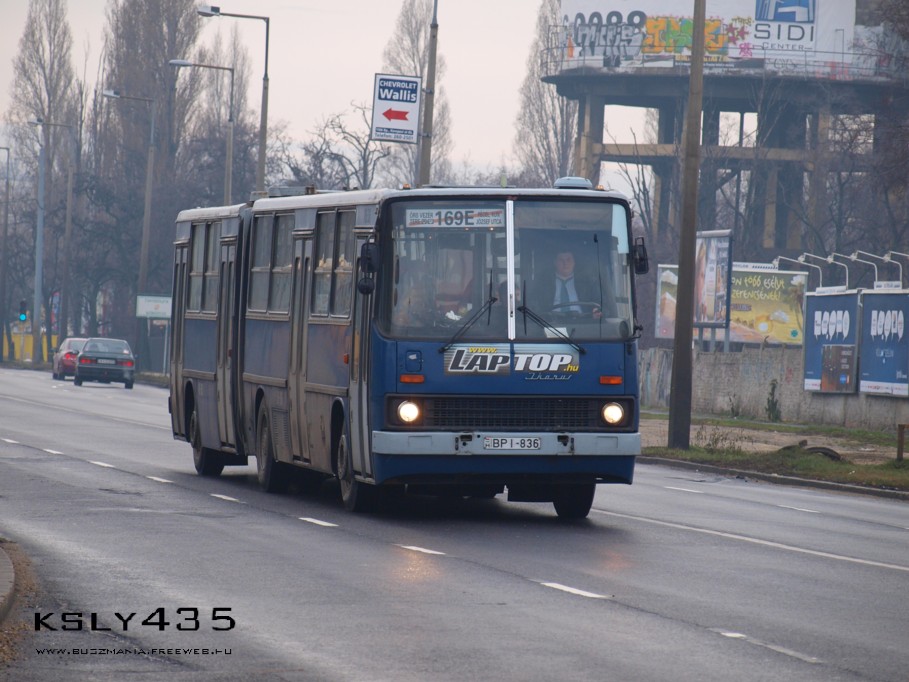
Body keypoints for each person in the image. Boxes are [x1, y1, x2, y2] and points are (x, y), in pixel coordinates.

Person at [544, 249, 601, 317]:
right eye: (561, 260)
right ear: (555, 263)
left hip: (583, 320)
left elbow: (600, 302)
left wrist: (596, 310)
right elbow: (535, 305)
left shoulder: (588, 282)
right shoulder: (544, 283)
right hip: (551, 321)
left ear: (574, 262)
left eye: (568, 260)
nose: (565, 263)